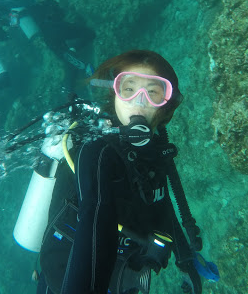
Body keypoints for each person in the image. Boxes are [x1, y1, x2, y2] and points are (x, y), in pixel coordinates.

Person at [34, 50, 207, 294]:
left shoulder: (155, 154)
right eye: (129, 88)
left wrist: (185, 260)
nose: (140, 99)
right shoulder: (96, 152)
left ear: (167, 107)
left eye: (154, 92)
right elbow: (95, 212)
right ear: (114, 94)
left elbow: (162, 203)